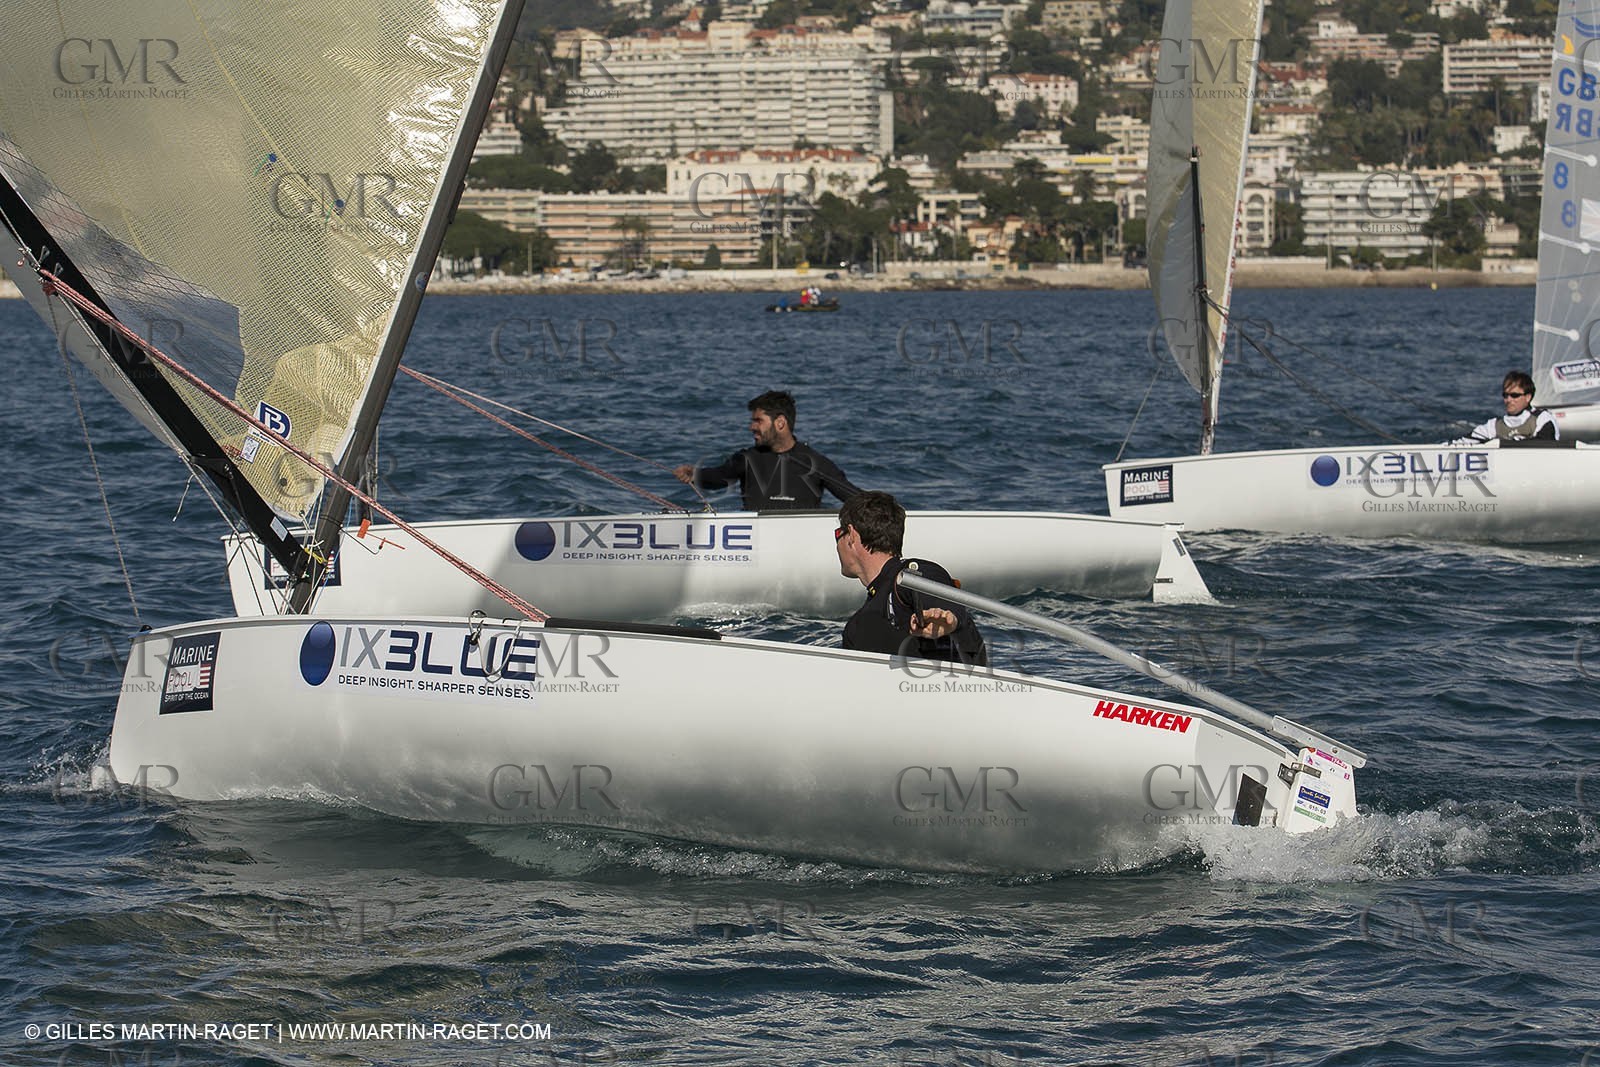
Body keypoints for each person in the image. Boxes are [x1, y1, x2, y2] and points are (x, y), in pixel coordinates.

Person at [835, 491, 987, 666]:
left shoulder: (909, 575)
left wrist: (948, 620)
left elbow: (945, 603)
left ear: (852, 536)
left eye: (838, 534)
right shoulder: (855, 627)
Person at [674, 390, 862, 509]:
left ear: (780, 423)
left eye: (758, 421)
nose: (752, 427)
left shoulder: (815, 463)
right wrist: (695, 475)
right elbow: (719, 476)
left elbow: (853, 497)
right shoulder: (747, 458)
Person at [1446, 371, 1559, 445]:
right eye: (1505, 395)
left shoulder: (1542, 418)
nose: (1508, 400)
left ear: (1528, 397)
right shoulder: (1494, 425)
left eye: (1514, 395)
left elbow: (1546, 442)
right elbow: (1463, 443)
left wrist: (1509, 443)